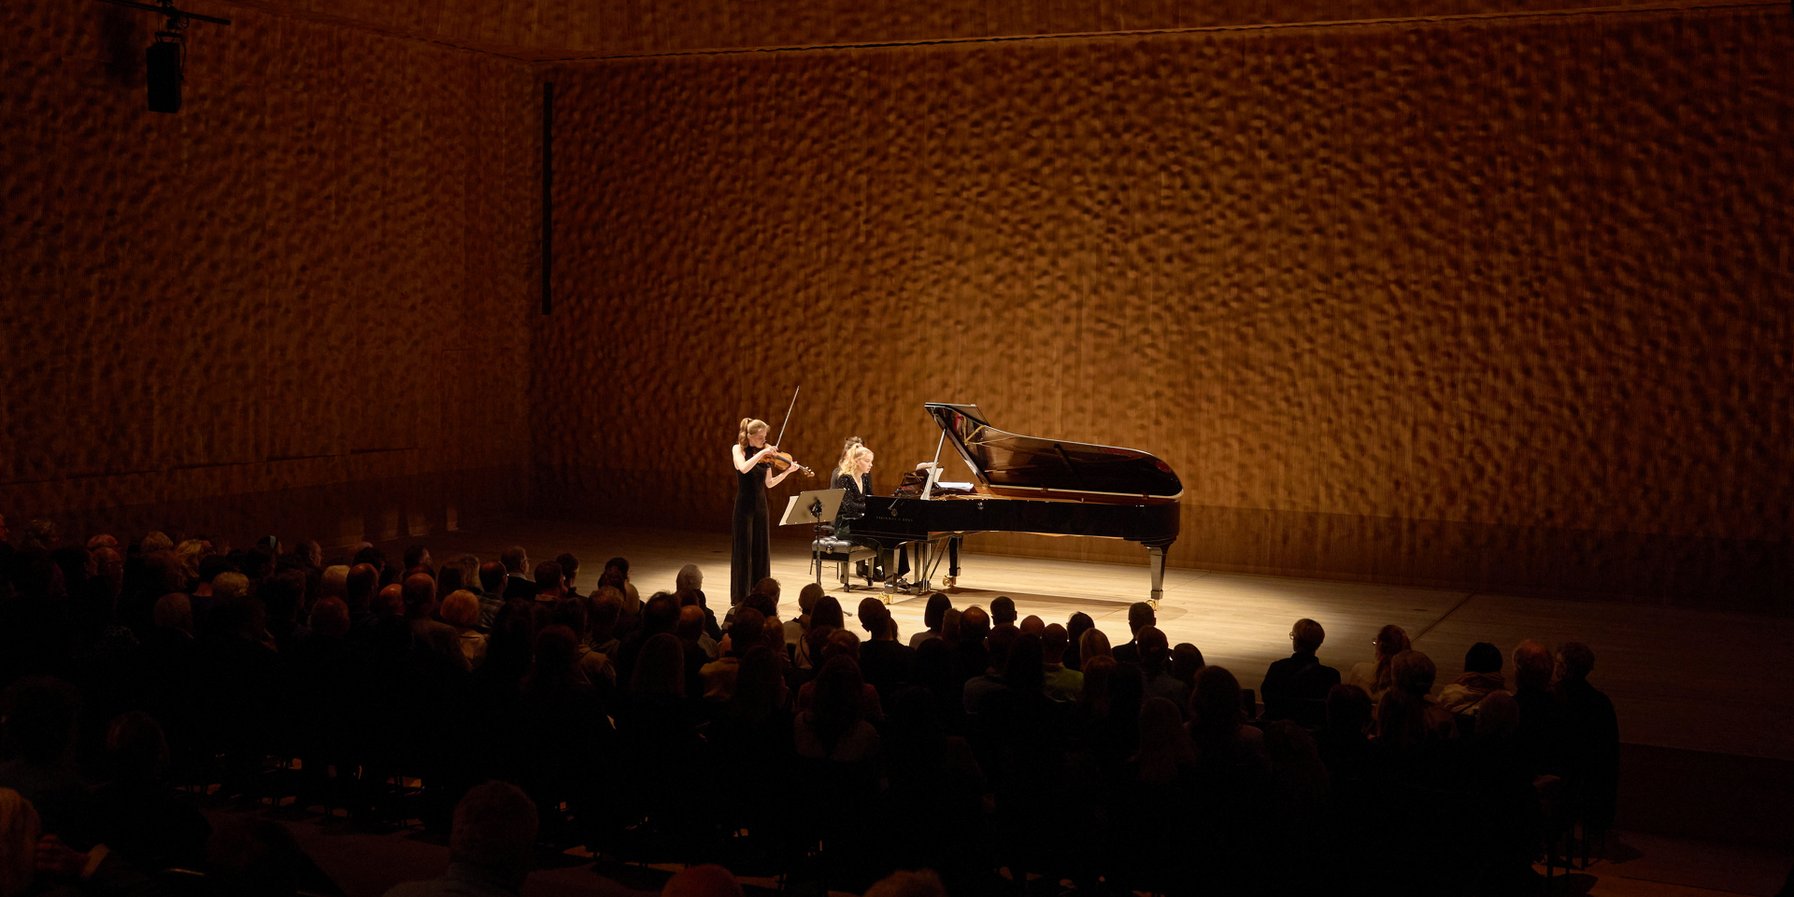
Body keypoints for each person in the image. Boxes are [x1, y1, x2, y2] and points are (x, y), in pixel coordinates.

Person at [730, 418, 801, 605]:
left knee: (761, 550)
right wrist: (761, 453)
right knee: (743, 550)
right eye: (760, 437)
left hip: (761, 506)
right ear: (750, 436)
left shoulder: (766, 454)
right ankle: (741, 596)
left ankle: (760, 594)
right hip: (744, 506)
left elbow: (769, 484)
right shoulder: (738, 449)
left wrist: (786, 473)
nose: (764, 440)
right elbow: (743, 468)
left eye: (765, 437)